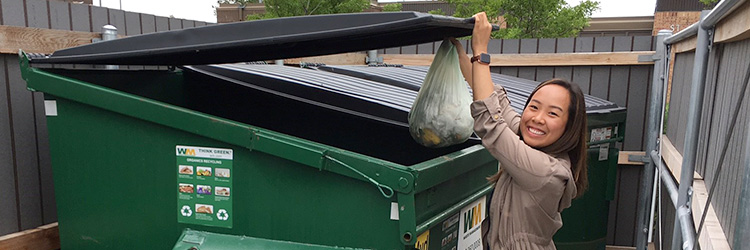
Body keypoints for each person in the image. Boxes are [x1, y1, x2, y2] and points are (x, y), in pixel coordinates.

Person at [451, 12, 589, 250]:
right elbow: (497, 105)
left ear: (570, 127)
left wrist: (481, 51)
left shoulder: (546, 171)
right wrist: (461, 55)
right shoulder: (533, 142)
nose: (538, 118)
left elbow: (490, 124)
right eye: (534, 107)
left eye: (553, 113)